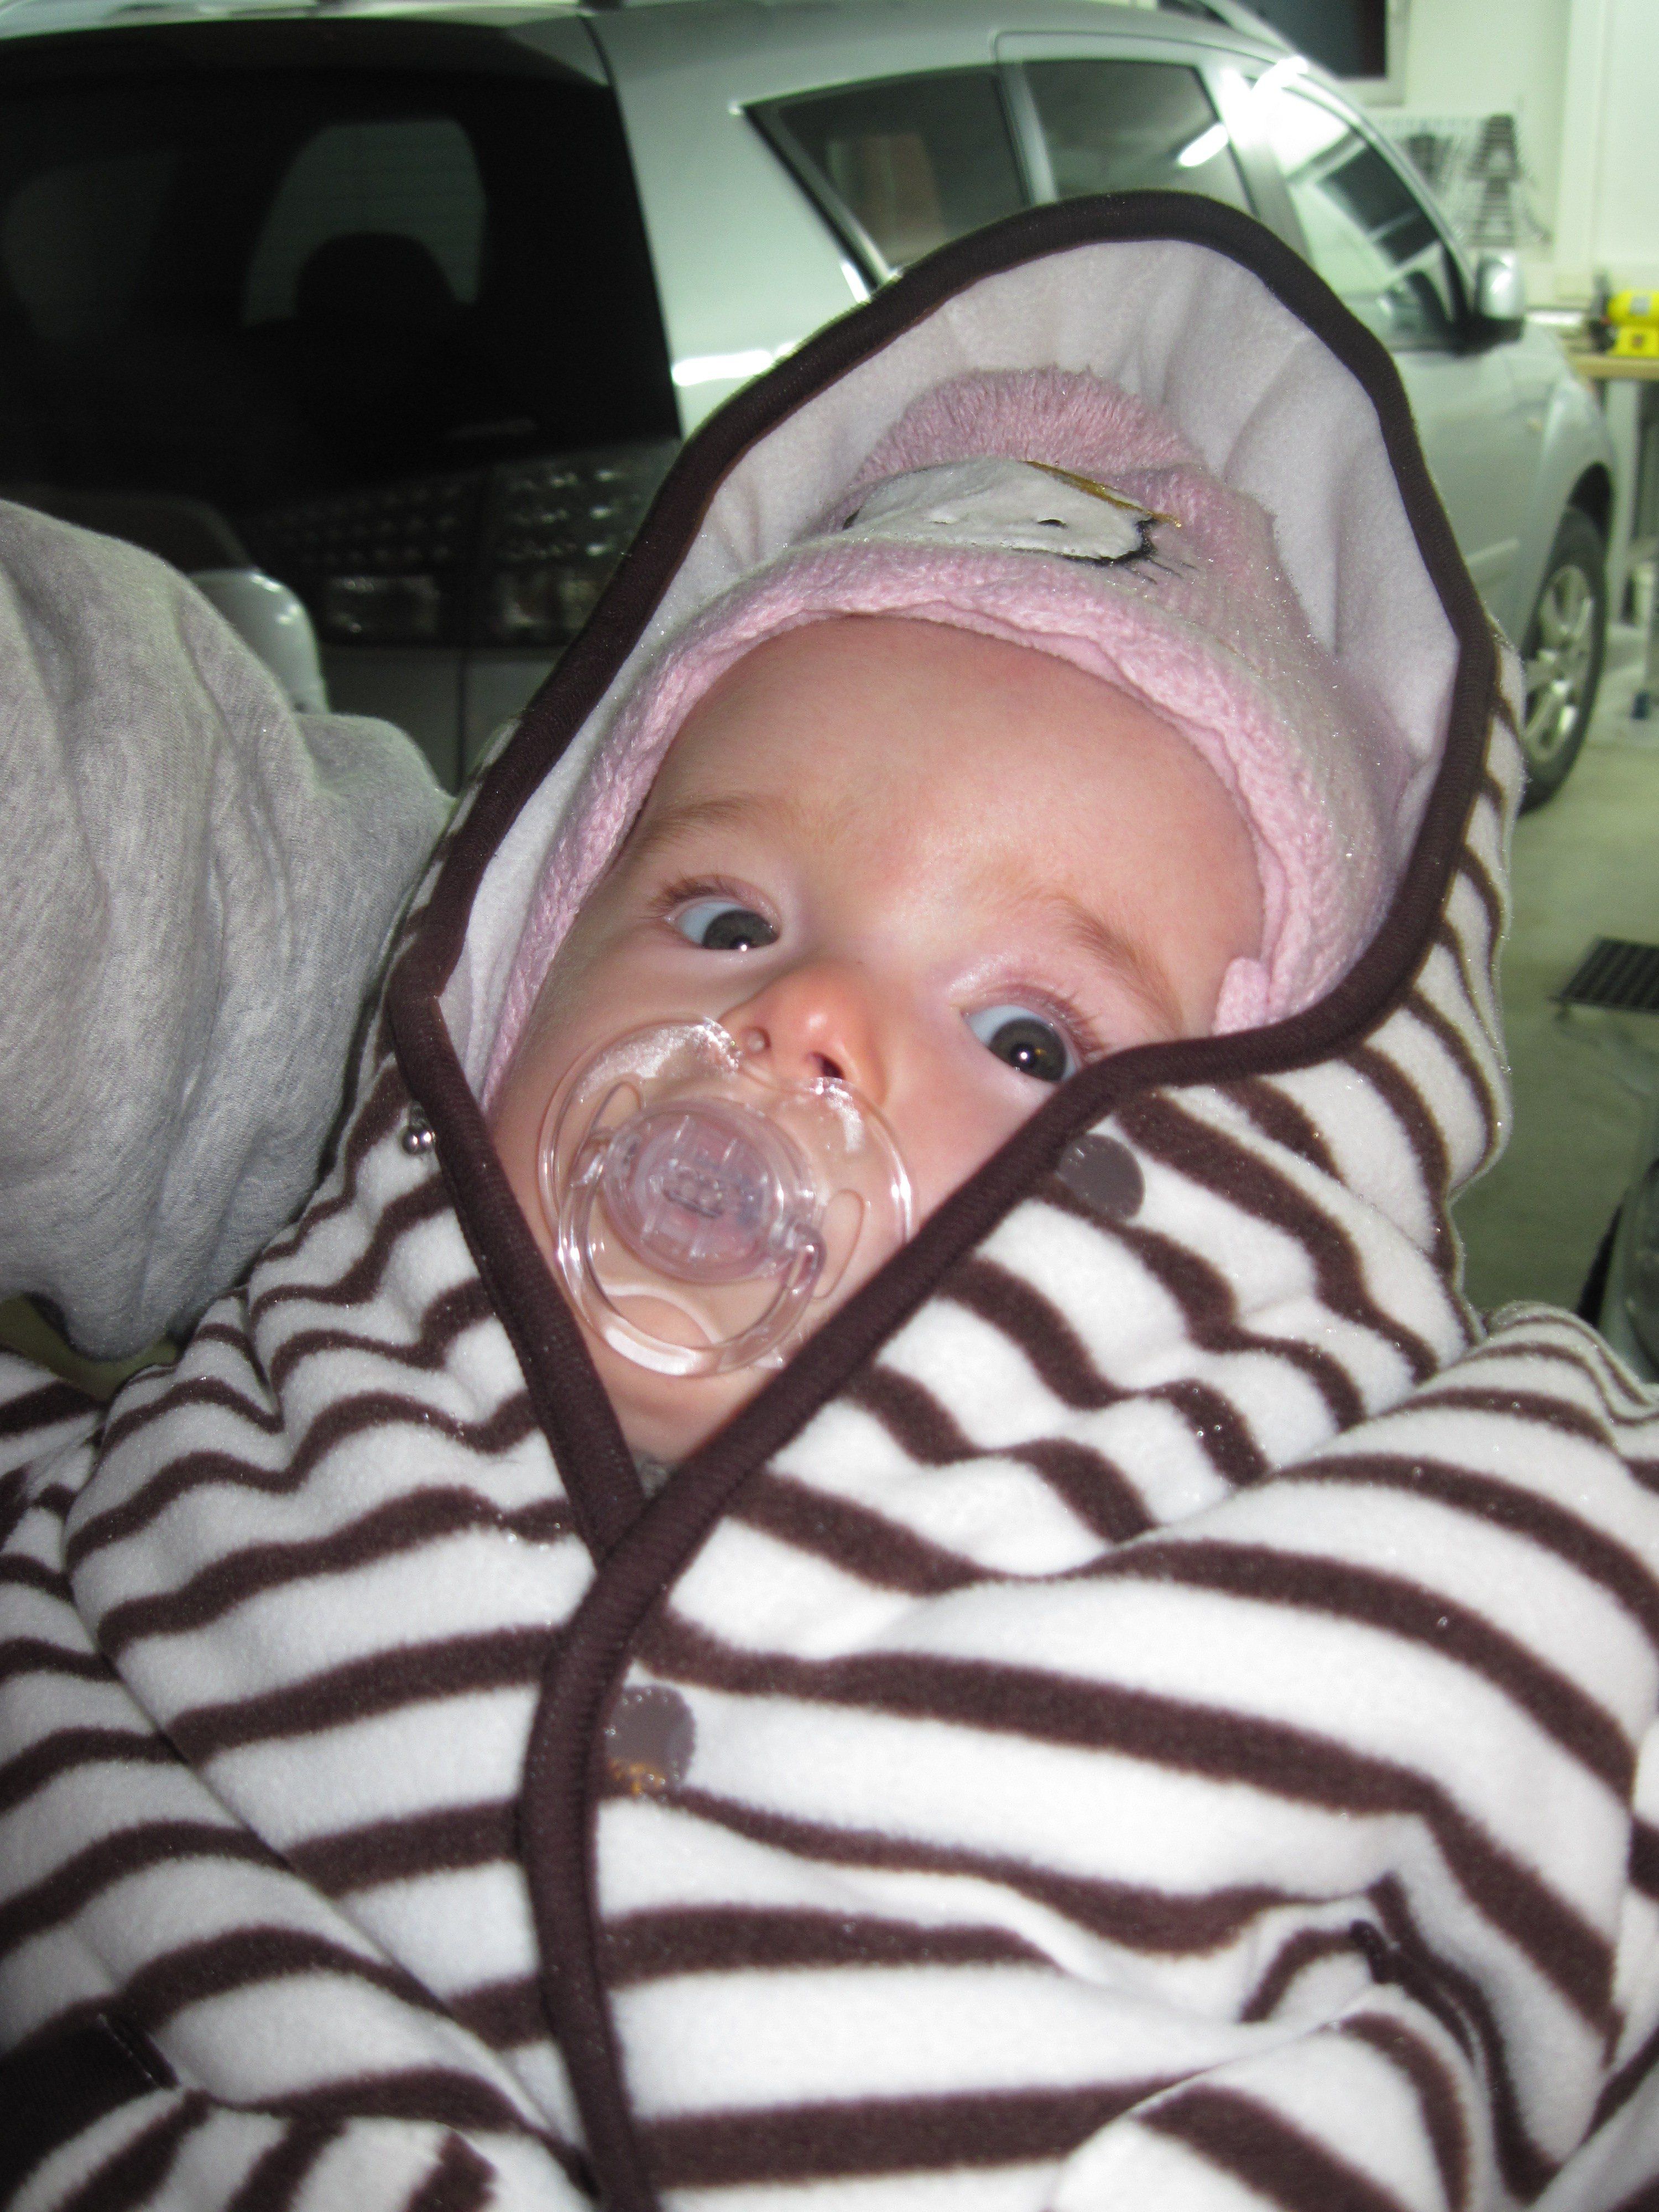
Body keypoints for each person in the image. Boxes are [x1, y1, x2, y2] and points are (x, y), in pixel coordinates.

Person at [3, 196, 1658, 2212]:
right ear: (520, 967)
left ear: (1240, 1167)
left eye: (1029, 1034)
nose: (803, 1022)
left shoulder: (1411, 1534)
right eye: (723, 916)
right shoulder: (289, 1387)